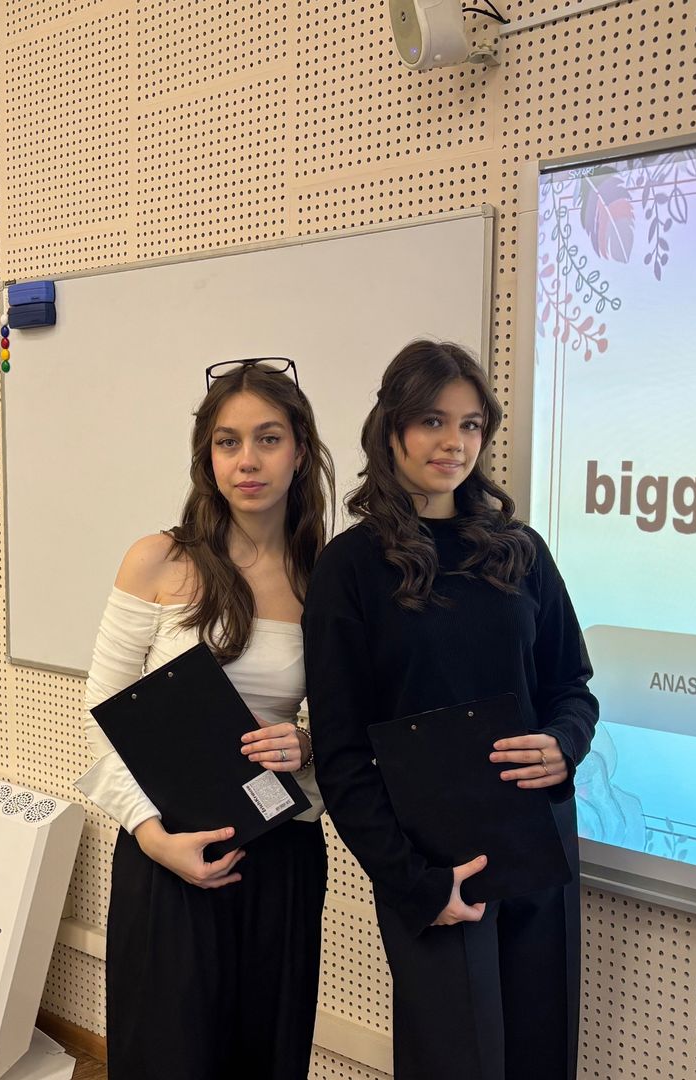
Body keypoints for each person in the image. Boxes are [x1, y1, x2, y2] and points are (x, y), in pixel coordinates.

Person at [302, 339, 598, 1080]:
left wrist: (564, 743)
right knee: (455, 1062)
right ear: (392, 428)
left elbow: (572, 687)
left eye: (470, 425)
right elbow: (342, 754)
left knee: (540, 1055)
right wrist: (412, 881)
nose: (454, 443)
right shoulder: (349, 567)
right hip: (434, 864)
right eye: (433, 421)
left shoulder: (520, 551)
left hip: (536, 843)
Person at [76, 358, 334, 1080]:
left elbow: (350, 723)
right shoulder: (157, 560)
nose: (247, 460)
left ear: (300, 451)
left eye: (268, 439)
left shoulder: (326, 574)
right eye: (228, 442)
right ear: (207, 456)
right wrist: (152, 837)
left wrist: (306, 742)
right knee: (167, 1056)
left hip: (280, 851)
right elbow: (102, 715)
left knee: (266, 1055)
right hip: (166, 848)